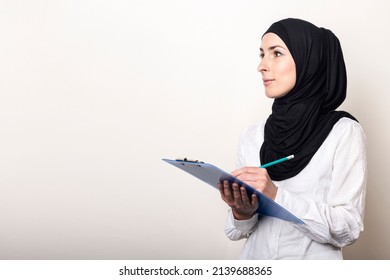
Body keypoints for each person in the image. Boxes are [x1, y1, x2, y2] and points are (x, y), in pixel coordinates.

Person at [218, 18, 367, 260]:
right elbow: (237, 231)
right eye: (262, 54)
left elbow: (348, 228)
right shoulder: (252, 135)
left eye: (276, 53)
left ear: (309, 60)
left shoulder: (343, 132)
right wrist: (242, 212)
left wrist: (277, 196)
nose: (262, 66)